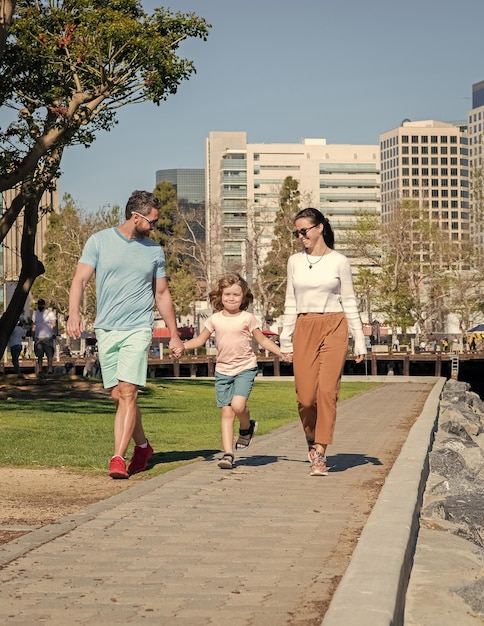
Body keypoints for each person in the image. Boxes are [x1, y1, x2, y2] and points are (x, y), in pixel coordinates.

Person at [67, 190, 184, 479]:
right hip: (107, 328)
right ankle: (142, 446)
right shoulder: (99, 241)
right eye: (152, 221)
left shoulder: (154, 251)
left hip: (137, 328)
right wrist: (73, 313)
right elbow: (80, 279)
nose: (155, 225)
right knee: (118, 395)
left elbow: (162, 293)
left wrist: (174, 334)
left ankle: (117, 458)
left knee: (129, 392)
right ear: (136, 217)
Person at [279, 208, 366, 477]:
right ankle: (310, 435)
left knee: (327, 392)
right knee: (306, 398)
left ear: (319, 228)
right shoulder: (294, 261)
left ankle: (320, 450)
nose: (300, 236)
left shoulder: (339, 261)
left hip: (334, 325)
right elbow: (290, 301)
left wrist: (360, 339)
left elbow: (349, 300)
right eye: (297, 233)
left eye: (303, 230)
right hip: (304, 326)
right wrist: (285, 339)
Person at [182, 273, 292, 470]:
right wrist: (182, 347)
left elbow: (263, 340)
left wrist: (281, 353)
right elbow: (200, 340)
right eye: (227, 294)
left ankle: (246, 427)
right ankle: (228, 454)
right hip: (223, 371)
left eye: (235, 294)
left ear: (244, 297)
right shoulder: (214, 319)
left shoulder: (247, 318)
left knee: (238, 406)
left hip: (245, 368)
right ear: (219, 296)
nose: (231, 298)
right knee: (227, 411)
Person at [32, 298, 56, 375]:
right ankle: (40, 369)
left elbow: (54, 324)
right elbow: (34, 324)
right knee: (39, 355)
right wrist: (33, 334)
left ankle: (49, 369)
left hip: (48, 336)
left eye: (41, 304)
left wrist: (54, 333)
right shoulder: (35, 313)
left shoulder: (50, 313)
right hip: (38, 337)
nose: (40, 306)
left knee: (49, 354)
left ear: (44, 305)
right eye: (39, 304)